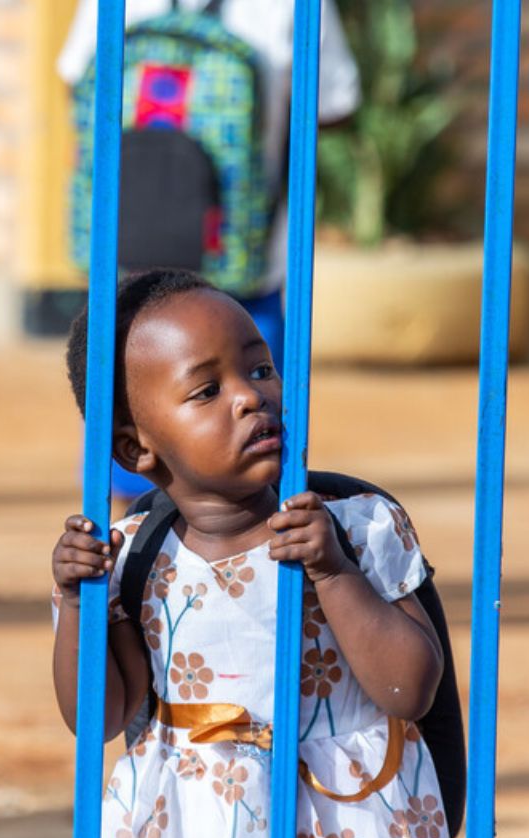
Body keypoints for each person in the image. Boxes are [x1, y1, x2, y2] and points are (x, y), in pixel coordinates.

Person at [47, 269, 516, 838]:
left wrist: (334, 574)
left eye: (259, 369)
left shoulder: (355, 526)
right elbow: (100, 713)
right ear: (135, 447)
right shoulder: (129, 560)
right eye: (207, 391)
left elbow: (412, 686)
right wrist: (80, 603)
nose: (250, 398)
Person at [58, 0, 360, 499]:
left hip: (131, 245)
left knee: (131, 434)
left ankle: (131, 560)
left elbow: (75, 79)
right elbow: (335, 107)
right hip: (244, 257)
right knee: (254, 442)